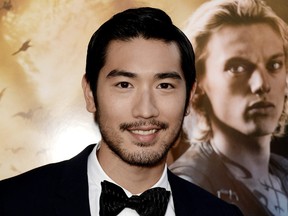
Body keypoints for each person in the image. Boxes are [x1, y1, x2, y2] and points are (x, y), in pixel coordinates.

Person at [0, 7, 243, 216]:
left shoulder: (220, 213)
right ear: (90, 94)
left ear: (189, 97)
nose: (146, 110)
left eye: (164, 86)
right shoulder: (11, 203)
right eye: (124, 85)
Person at [170, 0, 288, 215]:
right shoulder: (189, 186)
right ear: (198, 82)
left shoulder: (283, 171)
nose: (262, 84)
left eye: (275, 65)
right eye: (237, 67)